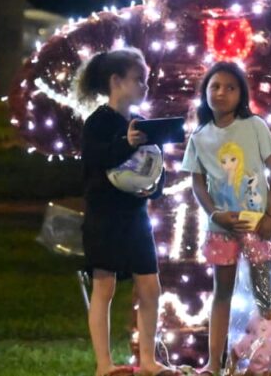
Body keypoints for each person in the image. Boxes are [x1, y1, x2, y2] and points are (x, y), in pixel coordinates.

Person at [181, 61, 271, 375]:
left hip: (257, 226)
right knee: (221, 294)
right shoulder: (200, 137)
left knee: (264, 295)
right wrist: (215, 214)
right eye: (214, 86)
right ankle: (214, 363)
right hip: (221, 228)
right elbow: (197, 182)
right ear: (205, 93)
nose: (221, 93)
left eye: (230, 87)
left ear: (241, 94)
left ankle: (266, 362)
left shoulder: (254, 127)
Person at [77, 48, 170, 376]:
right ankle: (104, 365)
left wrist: (154, 188)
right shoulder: (98, 123)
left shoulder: (142, 124)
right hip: (104, 217)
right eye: (138, 80)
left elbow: (156, 165)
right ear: (116, 81)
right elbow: (96, 160)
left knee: (150, 287)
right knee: (104, 287)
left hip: (135, 217)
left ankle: (148, 361)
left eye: (146, 80)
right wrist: (126, 144)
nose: (144, 86)